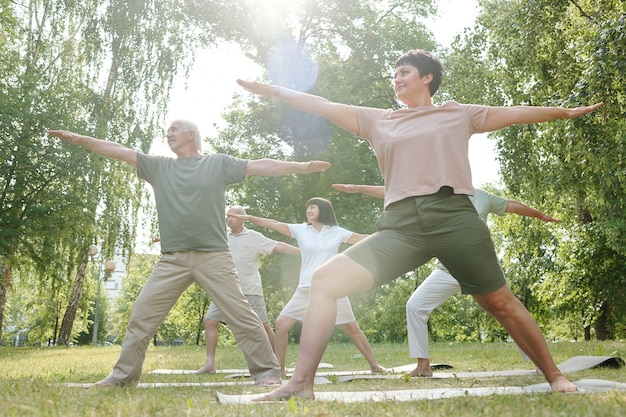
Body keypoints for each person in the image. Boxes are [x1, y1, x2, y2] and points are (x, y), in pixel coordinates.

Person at [236, 48, 602, 399]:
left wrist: (563, 113)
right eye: (394, 74)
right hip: (401, 226)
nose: (396, 79)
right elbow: (324, 106)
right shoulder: (378, 120)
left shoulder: (458, 114)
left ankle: (554, 374)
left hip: (453, 217)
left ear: (427, 77)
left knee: (500, 303)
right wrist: (273, 90)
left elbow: (514, 112)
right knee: (325, 280)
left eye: (404, 72)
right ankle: (300, 384)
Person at [47, 119, 330, 387]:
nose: (168, 133)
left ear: (190, 135)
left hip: (214, 257)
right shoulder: (159, 167)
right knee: (141, 316)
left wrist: (302, 166)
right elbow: (120, 151)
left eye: (174, 129)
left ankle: (267, 373)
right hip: (172, 260)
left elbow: (258, 165)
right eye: (167, 131)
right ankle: (122, 376)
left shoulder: (216, 164)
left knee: (242, 315)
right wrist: (79, 138)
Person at [332, 183, 559, 377]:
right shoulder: (432, 195)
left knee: (505, 310)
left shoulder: (480, 195)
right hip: (446, 270)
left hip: (477, 266)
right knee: (415, 306)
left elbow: (511, 205)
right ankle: (423, 366)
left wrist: (540, 215)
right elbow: (393, 191)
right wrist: (358, 188)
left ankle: (540, 363)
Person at [231, 197, 388, 377]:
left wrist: (390, 235)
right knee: (282, 324)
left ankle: (375, 365)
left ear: (323, 209)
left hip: (333, 287)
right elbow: (274, 224)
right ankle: (279, 370)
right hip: (306, 287)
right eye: (307, 208)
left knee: (351, 328)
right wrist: (250, 218)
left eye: (312, 207)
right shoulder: (301, 230)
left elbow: (362, 239)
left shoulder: (336, 232)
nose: (309, 210)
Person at [196, 205, 300, 374]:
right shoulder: (222, 236)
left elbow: (278, 245)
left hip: (250, 291)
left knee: (263, 327)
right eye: (227, 216)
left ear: (243, 218)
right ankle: (210, 365)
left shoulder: (253, 237)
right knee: (210, 321)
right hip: (225, 291)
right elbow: (199, 242)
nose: (229, 219)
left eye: (233, 216)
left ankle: (278, 363)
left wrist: (303, 251)